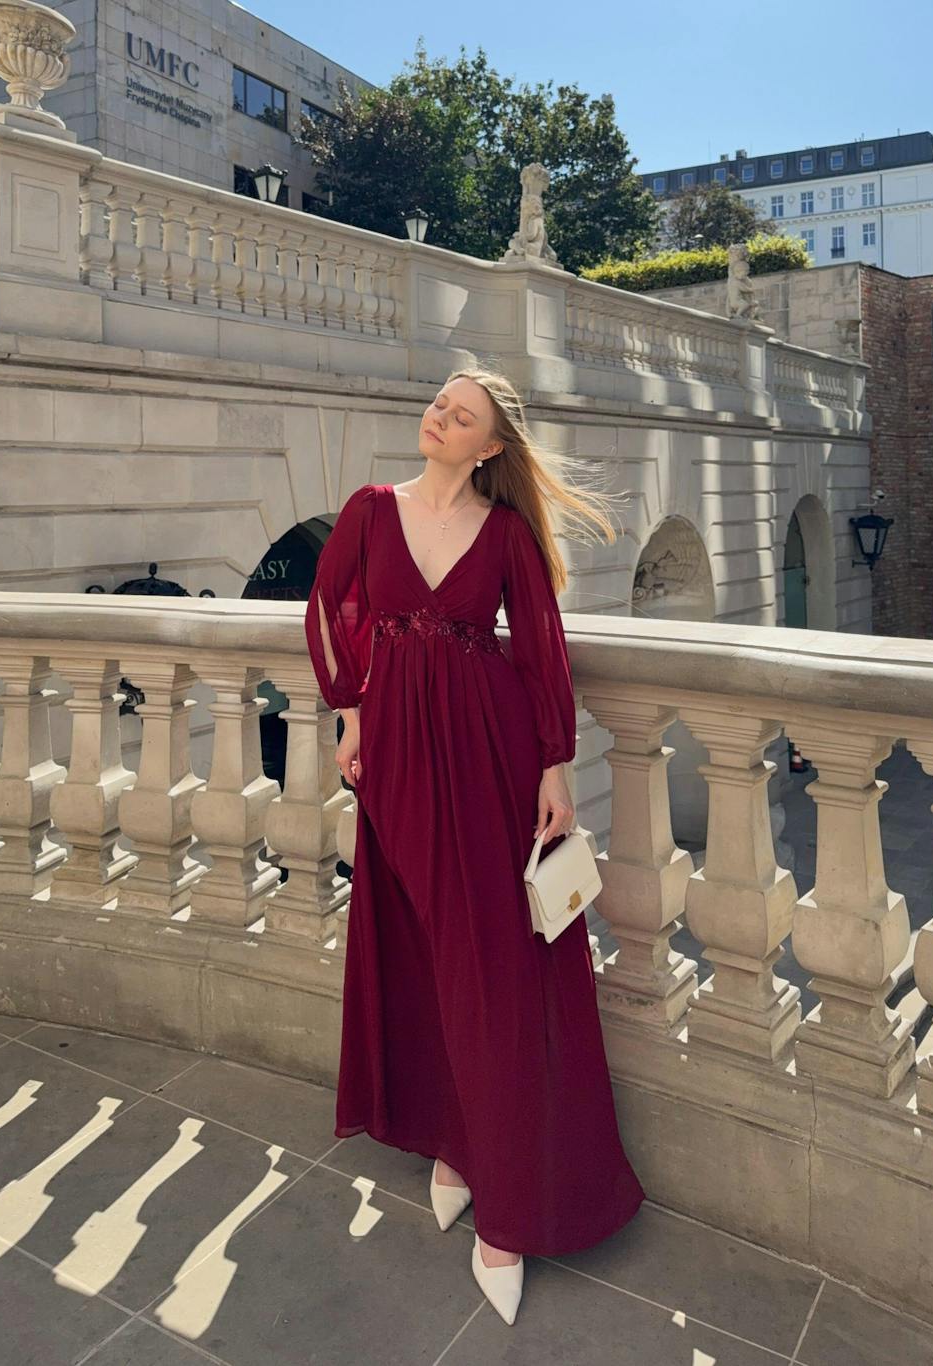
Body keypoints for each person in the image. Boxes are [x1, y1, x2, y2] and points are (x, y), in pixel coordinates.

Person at [303, 366, 645, 1326]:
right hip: (399, 754)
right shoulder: (372, 510)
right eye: (439, 405)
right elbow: (331, 610)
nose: (439, 417)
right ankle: (455, 1142)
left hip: (488, 757)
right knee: (423, 950)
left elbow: (540, 647)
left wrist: (553, 766)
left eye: (461, 416)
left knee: (492, 968)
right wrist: (352, 714)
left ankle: (508, 1207)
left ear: (490, 446)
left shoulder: (505, 535)